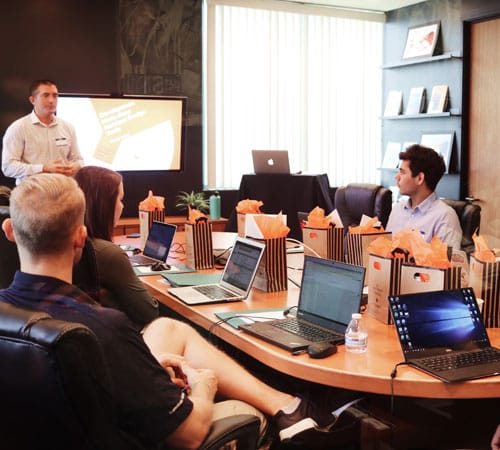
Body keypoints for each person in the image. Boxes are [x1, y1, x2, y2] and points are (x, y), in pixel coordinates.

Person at [0, 173, 352, 449]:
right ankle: (290, 412)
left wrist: (147, 370)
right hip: (140, 435)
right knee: (243, 413)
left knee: (169, 328)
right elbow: (188, 434)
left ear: (9, 231)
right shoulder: (103, 327)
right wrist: (203, 384)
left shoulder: (9, 311)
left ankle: (289, 404)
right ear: (80, 237)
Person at [74, 165, 159, 328]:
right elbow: (149, 312)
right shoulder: (107, 253)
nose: (123, 206)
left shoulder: (72, 244)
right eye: (120, 200)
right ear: (104, 205)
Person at [1, 79, 84, 184]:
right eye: (45, 95)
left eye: (55, 95)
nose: (51, 100)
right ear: (33, 100)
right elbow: (8, 167)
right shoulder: (18, 128)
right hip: (31, 193)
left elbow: (79, 160)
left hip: (63, 191)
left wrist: (75, 166)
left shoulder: (67, 127)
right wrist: (43, 168)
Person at [386, 144, 462, 250]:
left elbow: (448, 264)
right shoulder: (397, 209)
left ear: (420, 178)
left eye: (402, 172)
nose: (397, 177)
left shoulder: (445, 217)